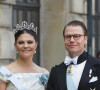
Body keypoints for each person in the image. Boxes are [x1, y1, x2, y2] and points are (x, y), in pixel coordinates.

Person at [47, 20, 100, 90]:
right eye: (68, 36)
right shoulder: (56, 71)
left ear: (85, 39)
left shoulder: (98, 66)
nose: (71, 40)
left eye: (76, 36)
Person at [0, 21, 49, 90]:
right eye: (21, 42)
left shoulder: (44, 73)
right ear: (15, 46)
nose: (25, 46)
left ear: (36, 45)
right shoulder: (4, 73)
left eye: (30, 42)